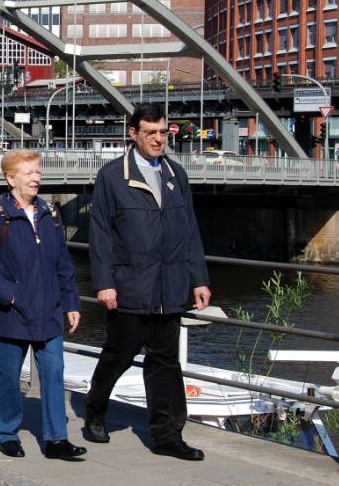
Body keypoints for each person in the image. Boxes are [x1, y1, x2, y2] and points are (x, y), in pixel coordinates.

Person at [84, 103, 211, 461]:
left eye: (163, 132)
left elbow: (190, 232)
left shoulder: (176, 174)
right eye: (151, 132)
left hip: (169, 286)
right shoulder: (112, 177)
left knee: (166, 362)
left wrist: (198, 278)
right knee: (118, 354)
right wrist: (104, 283)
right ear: (133, 134)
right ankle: (95, 410)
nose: (159, 139)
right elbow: (101, 236)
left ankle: (168, 436)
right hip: (129, 285)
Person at [0, 149, 86, 461]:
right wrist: (11, 295)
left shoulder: (50, 215)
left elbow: (62, 263)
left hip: (49, 310)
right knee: (8, 378)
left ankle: (56, 440)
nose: (36, 178)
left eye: (38, 171)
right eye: (29, 173)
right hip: (10, 314)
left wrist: (71, 301)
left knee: (54, 374)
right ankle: (7, 433)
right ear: (11, 180)